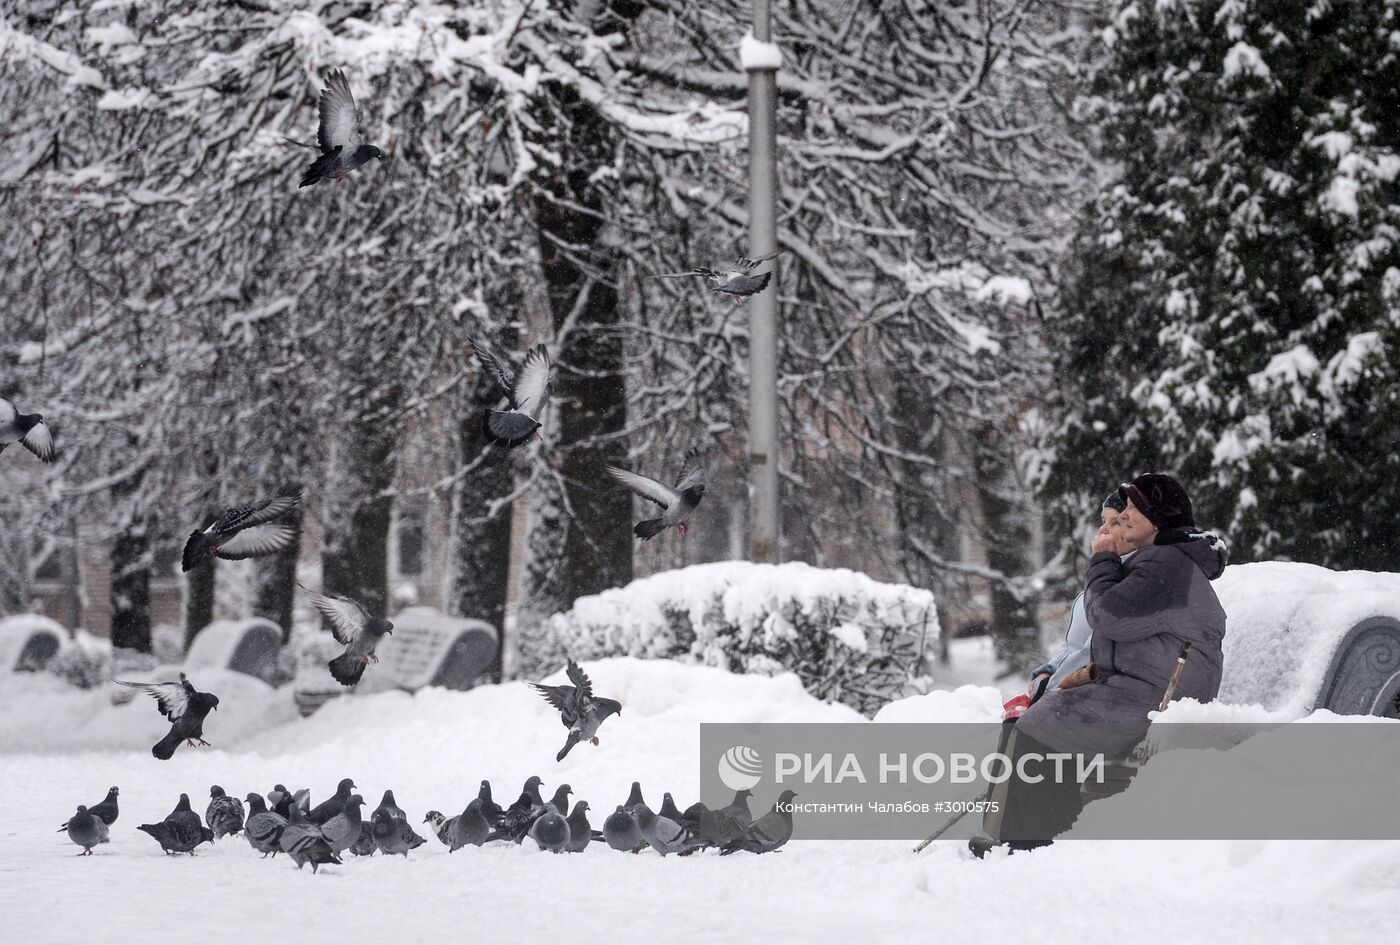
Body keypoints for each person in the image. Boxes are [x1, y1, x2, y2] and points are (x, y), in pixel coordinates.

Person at [988, 472, 1229, 850]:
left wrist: (1103, 559)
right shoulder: (1159, 561)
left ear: (1159, 518)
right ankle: (1028, 836)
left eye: (1133, 509)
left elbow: (1109, 616)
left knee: (1043, 726)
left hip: (1162, 699)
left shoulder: (1167, 564)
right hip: (1142, 688)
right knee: (1046, 715)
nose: (1125, 516)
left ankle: (1028, 845)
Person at [1028, 490, 1135, 693]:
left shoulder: (1126, 580)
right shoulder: (1106, 572)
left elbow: (1092, 650)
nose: (1103, 529)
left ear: (1134, 529)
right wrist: (1049, 670)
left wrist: (1046, 688)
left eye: (1115, 523)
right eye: (1103, 521)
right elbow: (1074, 644)